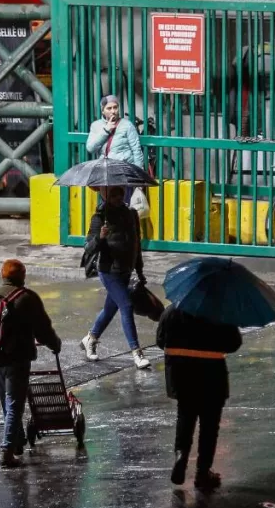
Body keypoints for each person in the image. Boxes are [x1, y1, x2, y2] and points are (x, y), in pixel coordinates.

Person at [0, 259, 62, 467]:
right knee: (14, 404)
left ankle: (17, 442)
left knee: (6, 401)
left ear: (3, 275)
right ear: (22, 276)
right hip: (17, 358)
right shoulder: (27, 298)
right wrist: (55, 344)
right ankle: (7, 452)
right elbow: (43, 330)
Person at [155, 305, 243, 490]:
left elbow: (161, 340)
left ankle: (181, 453)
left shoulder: (172, 311)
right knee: (210, 426)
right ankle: (202, 473)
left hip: (181, 375)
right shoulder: (219, 312)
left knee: (185, 416)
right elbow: (234, 344)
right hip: (212, 376)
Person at [80, 185, 150, 370]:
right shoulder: (99, 217)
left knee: (110, 309)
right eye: (113, 195)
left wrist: (140, 270)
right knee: (126, 306)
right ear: (106, 196)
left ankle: (91, 338)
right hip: (108, 270)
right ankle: (136, 352)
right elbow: (88, 248)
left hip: (126, 269)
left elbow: (136, 244)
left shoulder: (131, 214)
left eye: (120, 194)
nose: (118, 198)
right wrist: (100, 238)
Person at [86, 95, 146, 207]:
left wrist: (138, 176)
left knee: (124, 204)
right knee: (107, 206)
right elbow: (90, 148)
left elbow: (136, 150)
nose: (113, 111)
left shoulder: (127, 125)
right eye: (109, 108)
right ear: (103, 111)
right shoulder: (96, 126)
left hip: (123, 172)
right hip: (106, 173)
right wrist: (106, 130)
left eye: (115, 107)